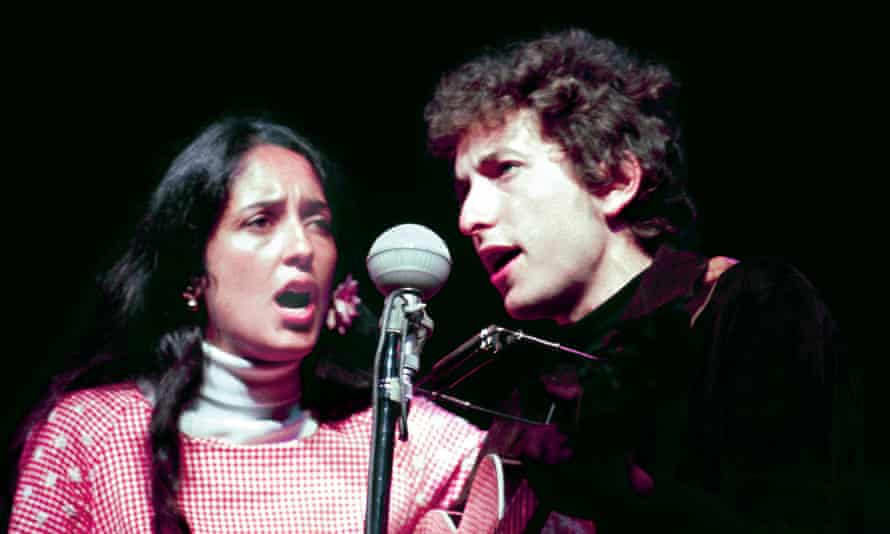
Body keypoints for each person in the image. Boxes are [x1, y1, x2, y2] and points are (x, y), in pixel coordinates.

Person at [424, 28, 861, 532]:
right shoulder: (523, 399)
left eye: (504, 170)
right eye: (463, 191)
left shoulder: (745, 308)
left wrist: (630, 496)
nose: (469, 218)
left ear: (614, 182)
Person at [7, 117, 485, 533]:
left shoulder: (405, 439)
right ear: (193, 272)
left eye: (318, 222)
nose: (303, 248)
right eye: (261, 221)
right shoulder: (95, 435)